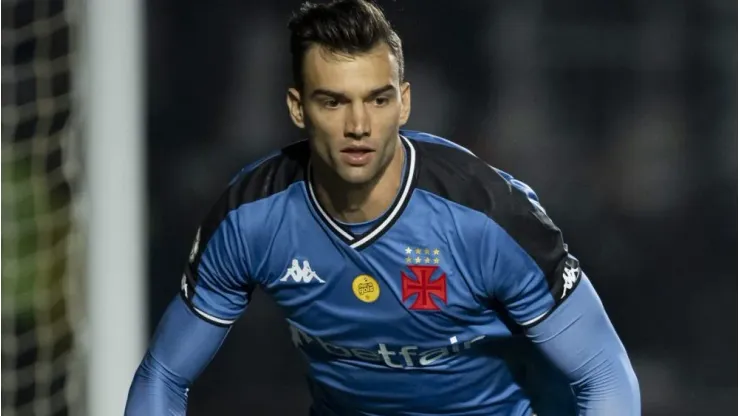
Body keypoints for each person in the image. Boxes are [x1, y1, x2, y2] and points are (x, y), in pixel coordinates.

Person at [125, 1, 640, 414]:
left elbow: (604, 374)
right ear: (296, 108)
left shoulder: (488, 217)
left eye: (378, 99)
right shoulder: (248, 217)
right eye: (333, 101)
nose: (359, 125)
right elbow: (164, 377)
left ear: (405, 102)